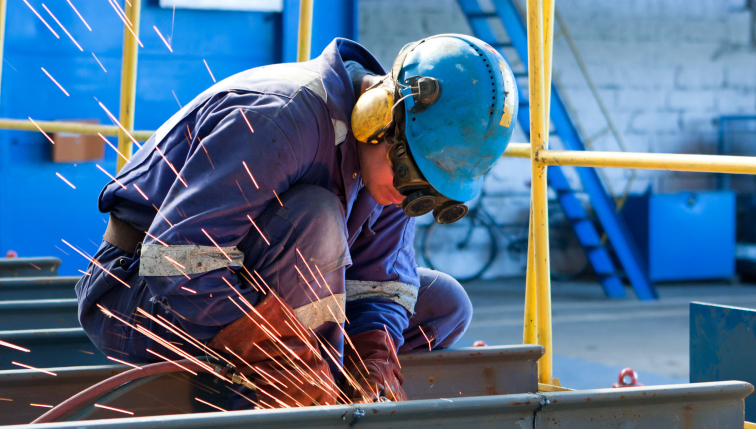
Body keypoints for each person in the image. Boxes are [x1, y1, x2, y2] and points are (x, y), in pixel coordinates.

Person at [76, 34, 517, 408]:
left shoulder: (389, 166)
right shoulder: (280, 116)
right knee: (318, 219)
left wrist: (373, 356)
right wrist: (292, 366)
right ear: (379, 115)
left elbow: (381, 283)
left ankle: (327, 382)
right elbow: (176, 264)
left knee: (446, 304)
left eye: (425, 195)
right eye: (410, 176)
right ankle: (292, 396)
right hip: (139, 297)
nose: (407, 196)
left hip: (259, 287)